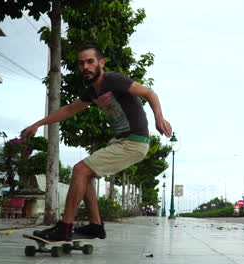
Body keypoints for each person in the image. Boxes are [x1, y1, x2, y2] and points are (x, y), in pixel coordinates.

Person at [21, 43, 172, 241]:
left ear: (101, 63)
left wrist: (158, 118)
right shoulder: (92, 91)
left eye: (90, 62)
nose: (86, 67)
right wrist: (38, 124)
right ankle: (95, 226)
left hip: (134, 143)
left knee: (80, 170)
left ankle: (64, 228)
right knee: (85, 175)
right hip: (121, 142)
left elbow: (149, 93)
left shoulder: (114, 79)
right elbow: (68, 110)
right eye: (81, 63)